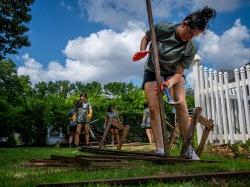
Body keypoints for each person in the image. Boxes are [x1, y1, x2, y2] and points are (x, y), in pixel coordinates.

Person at [132, 7, 216, 159]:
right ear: (184, 24)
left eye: (194, 36)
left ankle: (187, 148)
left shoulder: (191, 47)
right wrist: (143, 51)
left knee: (180, 103)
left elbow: (179, 73)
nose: (189, 37)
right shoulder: (163, 28)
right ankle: (160, 149)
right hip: (152, 69)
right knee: (153, 108)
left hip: (173, 73)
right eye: (189, 33)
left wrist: (168, 83)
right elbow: (146, 37)